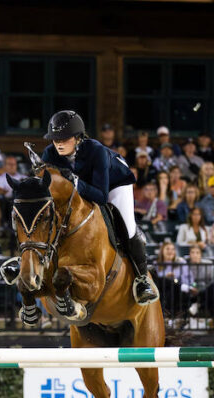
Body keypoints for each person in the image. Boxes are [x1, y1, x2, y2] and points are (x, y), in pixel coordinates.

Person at [40, 110, 157, 304]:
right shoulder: (49, 153)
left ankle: (142, 279)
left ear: (77, 138)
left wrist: (75, 182)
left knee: (126, 227)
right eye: (55, 138)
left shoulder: (97, 151)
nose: (58, 143)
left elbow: (101, 197)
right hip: (84, 185)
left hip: (114, 183)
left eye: (64, 138)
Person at [184, 245, 214, 328]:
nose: (195, 255)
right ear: (189, 254)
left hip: (209, 289)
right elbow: (186, 282)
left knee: (213, 287)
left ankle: (198, 303)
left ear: (201, 254)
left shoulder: (208, 264)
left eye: (197, 253)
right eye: (193, 252)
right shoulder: (185, 266)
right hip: (194, 292)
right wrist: (192, 287)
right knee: (211, 297)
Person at [152, 241, 189, 315]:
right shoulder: (156, 264)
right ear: (162, 251)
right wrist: (166, 278)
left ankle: (168, 313)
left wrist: (176, 278)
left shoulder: (181, 262)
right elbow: (155, 282)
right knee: (165, 281)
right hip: (162, 291)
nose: (170, 251)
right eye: (167, 249)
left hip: (179, 290)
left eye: (172, 249)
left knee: (173, 285)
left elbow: (187, 280)